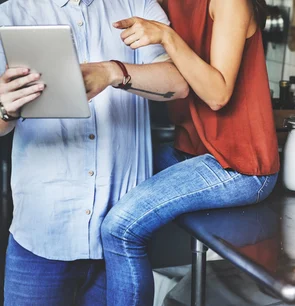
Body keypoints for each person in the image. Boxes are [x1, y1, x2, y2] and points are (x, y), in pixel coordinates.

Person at [0, 0, 189, 305]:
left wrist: (113, 72)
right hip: (40, 236)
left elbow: (179, 82)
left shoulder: (138, 5)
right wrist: (4, 109)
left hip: (119, 243)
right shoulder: (10, 14)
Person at [99, 0, 280, 304]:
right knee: (107, 178)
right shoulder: (167, 3)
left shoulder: (228, 3)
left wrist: (167, 36)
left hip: (239, 166)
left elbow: (217, 94)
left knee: (121, 228)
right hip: (190, 152)